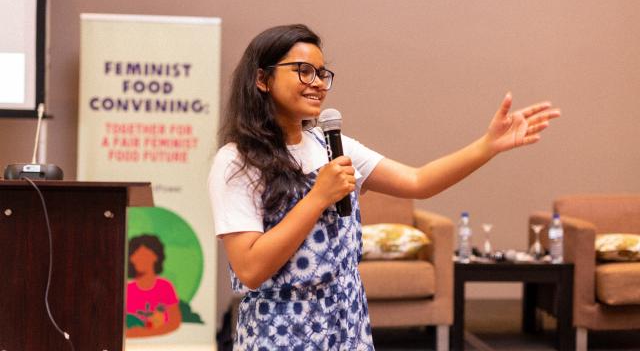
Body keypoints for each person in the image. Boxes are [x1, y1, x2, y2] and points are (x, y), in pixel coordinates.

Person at [208, 24, 560, 350]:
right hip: (280, 330)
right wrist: (317, 198)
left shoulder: (331, 145)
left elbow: (419, 181)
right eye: (304, 71)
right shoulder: (237, 160)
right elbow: (250, 269)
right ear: (262, 79)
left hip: (347, 322)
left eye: (322, 73)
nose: (317, 83)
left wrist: (488, 145)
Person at [126, 234, 182, 338]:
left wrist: (143, 333)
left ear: (155, 256)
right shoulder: (126, 290)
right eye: (135, 255)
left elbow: (174, 322)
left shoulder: (165, 287)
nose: (139, 259)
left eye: (144, 254)